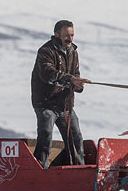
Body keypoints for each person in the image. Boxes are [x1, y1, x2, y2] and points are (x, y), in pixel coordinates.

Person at [31, 20, 90, 168]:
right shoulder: (45, 51)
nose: (70, 38)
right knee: (45, 139)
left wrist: (78, 85)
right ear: (56, 35)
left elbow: (75, 74)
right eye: (66, 35)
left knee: (76, 140)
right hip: (46, 104)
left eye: (72, 35)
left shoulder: (74, 52)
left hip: (65, 105)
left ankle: (80, 174)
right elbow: (48, 74)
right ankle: (39, 173)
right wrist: (72, 80)